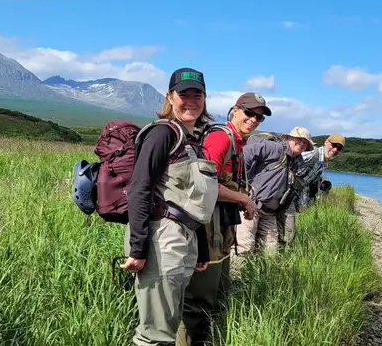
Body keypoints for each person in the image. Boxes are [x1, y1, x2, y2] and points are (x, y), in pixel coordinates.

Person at [121, 67, 219, 346]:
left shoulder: (193, 142)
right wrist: (139, 248)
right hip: (161, 239)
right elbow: (140, 189)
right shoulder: (162, 134)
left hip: (184, 239)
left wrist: (200, 246)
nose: (191, 100)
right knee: (155, 334)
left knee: (170, 321)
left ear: (205, 98)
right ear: (169, 97)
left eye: (197, 94)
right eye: (183, 94)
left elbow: (195, 203)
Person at [177, 92, 270, 345]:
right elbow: (206, 186)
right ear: (235, 111)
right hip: (207, 230)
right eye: (249, 113)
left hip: (220, 230)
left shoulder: (238, 143)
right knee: (198, 299)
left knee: (216, 292)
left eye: (259, 117)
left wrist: (241, 198)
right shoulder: (221, 138)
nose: (254, 119)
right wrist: (243, 199)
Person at [236, 126, 315, 254]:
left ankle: (261, 274)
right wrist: (242, 185)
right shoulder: (275, 148)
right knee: (244, 247)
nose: (301, 144)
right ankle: (233, 275)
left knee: (271, 253)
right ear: (289, 138)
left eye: (305, 143)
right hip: (252, 205)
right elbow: (245, 153)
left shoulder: (296, 161)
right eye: (299, 139)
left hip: (270, 212)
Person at [277, 133, 345, 246]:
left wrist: (301, 202)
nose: (335, 149)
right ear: (327, 142)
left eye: (339, 148)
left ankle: (272, 256)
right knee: (287, 233)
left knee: (284, 232)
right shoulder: (312, 153)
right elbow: (287, 163)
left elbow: (304, 182)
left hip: (290, 197)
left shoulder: (322, 163)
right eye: (334, 145)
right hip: (281, 193)